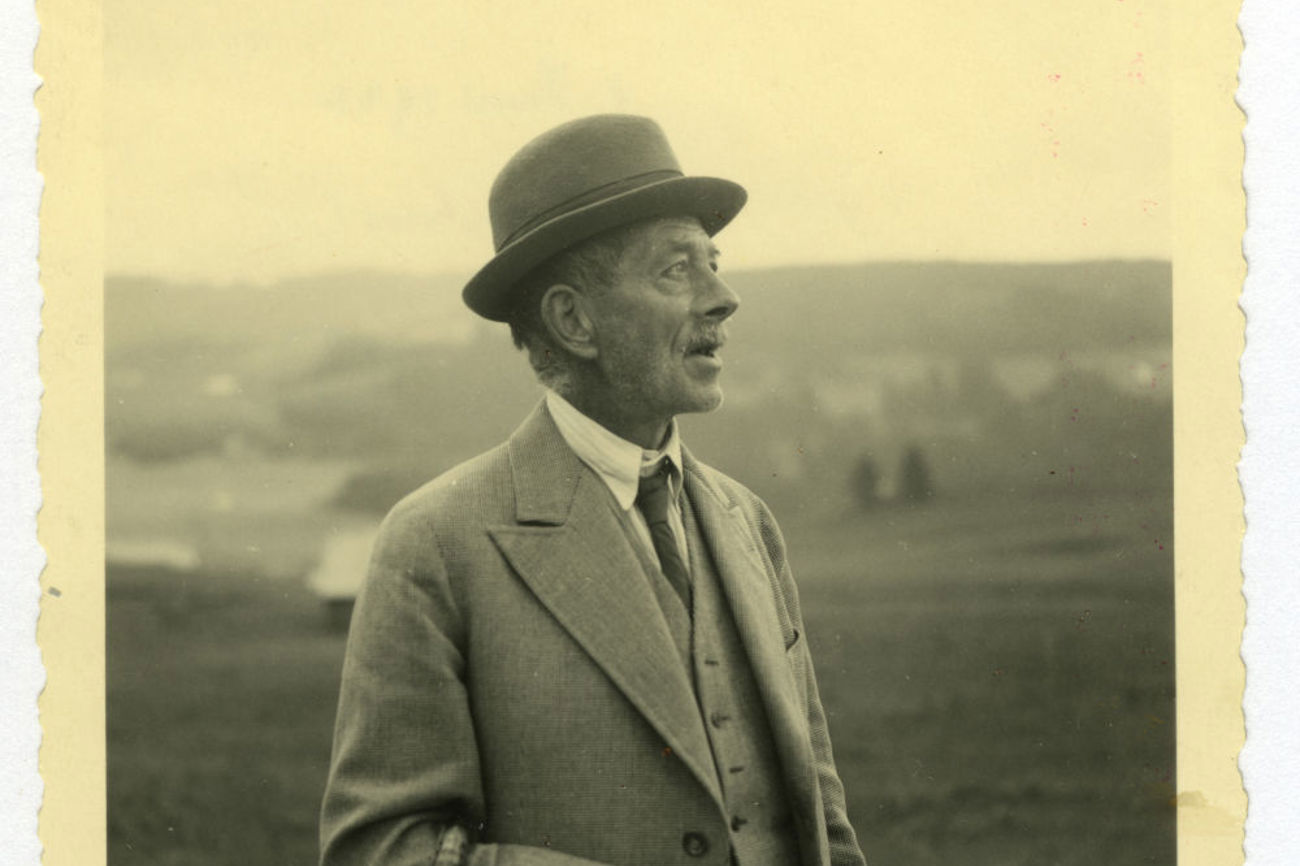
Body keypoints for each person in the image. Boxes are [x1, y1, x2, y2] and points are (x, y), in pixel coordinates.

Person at [320, 114, 866, 866]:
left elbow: (823, 818)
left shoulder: (749, 522)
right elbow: (381, 849)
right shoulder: (437, 542)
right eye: (678, 269)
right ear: (574, 321)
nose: (724, 297)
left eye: (714, 260)